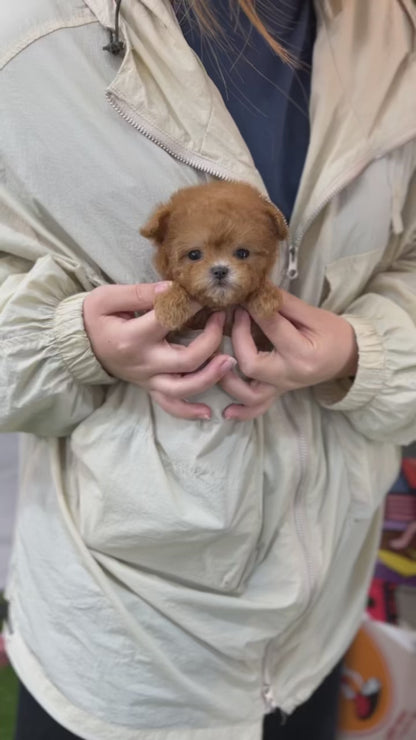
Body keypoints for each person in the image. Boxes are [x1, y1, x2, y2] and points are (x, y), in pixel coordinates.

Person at [1, 1, 415, 739]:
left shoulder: (394, 29)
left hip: (318, 617)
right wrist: (66, 342)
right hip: (127, 643)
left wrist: (366, 351)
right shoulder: (30, 37)